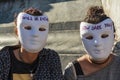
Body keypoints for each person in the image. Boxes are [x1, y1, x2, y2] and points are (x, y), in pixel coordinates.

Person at [0, 7, 64, 80]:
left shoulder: (51, 58)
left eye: (41, 29)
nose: (35, 34)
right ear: (17, 32)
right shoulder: (3, 59)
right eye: (28, 28)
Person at [64, 6, 120, 80]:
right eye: (89, 37)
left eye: (104, 36)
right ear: (82, 40)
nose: (97, 43)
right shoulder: (73, 72)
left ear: (114, 37)